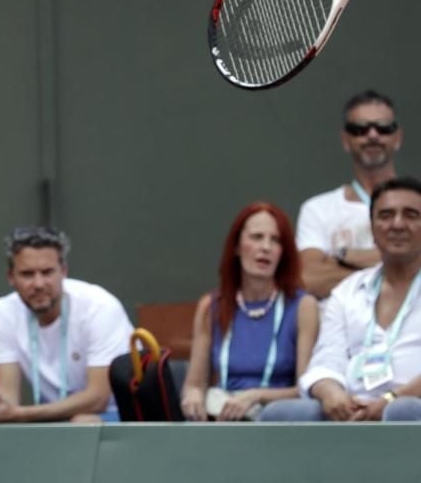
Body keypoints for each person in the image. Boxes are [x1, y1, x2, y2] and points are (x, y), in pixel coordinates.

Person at [259, 177, 421, 422]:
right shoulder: (348, 292)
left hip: (410, 406)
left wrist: (390, 400)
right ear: (373, 227)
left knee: (402, 412)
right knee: (281, 414)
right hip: (353, 408)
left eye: (411, 215)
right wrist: (332, 394)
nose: (397, 224)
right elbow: (326, 360)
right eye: (386, 215)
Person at [0, 225, 133, 423]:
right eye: (27, 274)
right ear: (11, 277)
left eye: (47, 272)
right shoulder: (6, 310)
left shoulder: (99, 306)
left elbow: (98, 399)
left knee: (83, 423)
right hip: (55, 420)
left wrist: (20, 414)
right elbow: (8, 395)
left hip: (124, 416)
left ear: (63, 271)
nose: (38, 284)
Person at [180, 202, 319, 421]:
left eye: (275, 240)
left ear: (284, 252)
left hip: (277, 423)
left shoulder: (303, 306)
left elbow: (305, 389)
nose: (265, 247)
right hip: (222, 420)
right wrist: (194, 396)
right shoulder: (211, 306)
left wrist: (257, 396)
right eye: (256, 237)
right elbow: (194, 385)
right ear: (236, 246)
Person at [296, 90, 402, 301]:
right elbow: (307, 278)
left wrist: (344, 258)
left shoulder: (416, 204)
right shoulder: (317, 209)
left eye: (383, 128)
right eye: (360, 129)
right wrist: (398, 269)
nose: (372, 135)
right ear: (345, 140)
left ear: (397, 138)